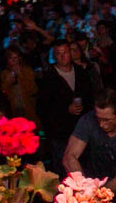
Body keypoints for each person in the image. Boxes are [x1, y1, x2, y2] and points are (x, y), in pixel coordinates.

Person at [37, 39, 93, 176]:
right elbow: (43, 108)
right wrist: (65, 110)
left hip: (82, 132)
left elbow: (90, 97)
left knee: (85, 168)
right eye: (59, 53)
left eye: (65, 52)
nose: (63, 56)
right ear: (54, 56)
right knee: (65, 170)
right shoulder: (48, 78)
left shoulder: (80, 72)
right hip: (60, 134)